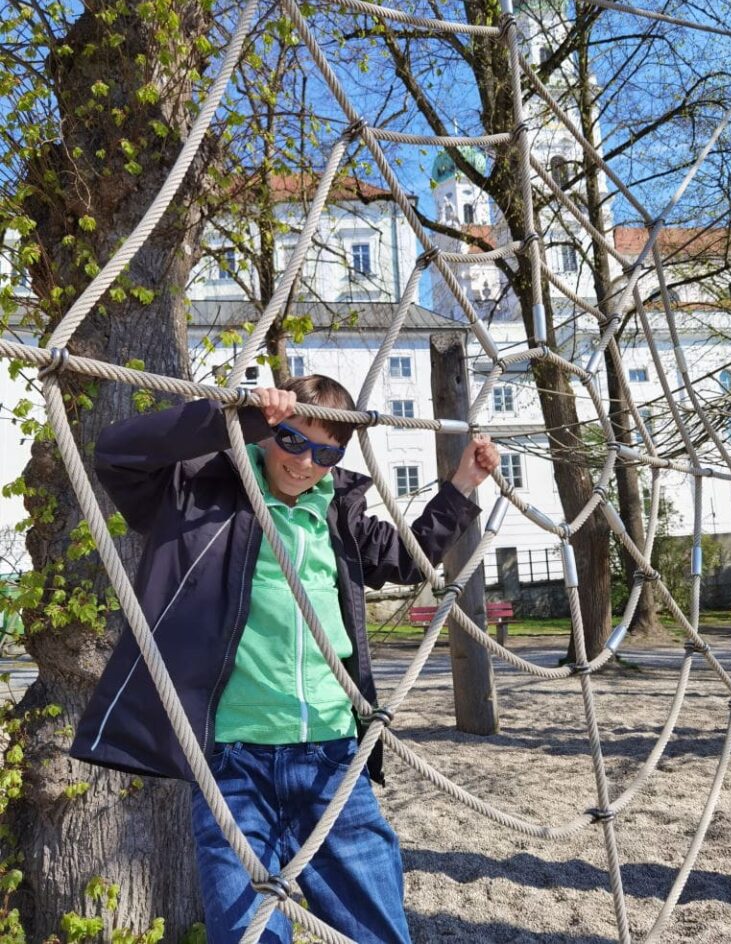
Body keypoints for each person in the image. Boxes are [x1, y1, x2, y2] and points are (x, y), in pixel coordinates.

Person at [71, 374, 500, 944]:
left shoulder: (338, 515)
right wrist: (242, 415)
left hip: (331, 753)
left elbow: (406, 558)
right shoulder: (199, 495)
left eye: (326, 454)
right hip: (233, 759)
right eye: (293, 442)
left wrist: (463, 484)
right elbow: (117, 452)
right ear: (268, 431)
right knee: (246, 930)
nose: (304, 464)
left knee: (373, 925)